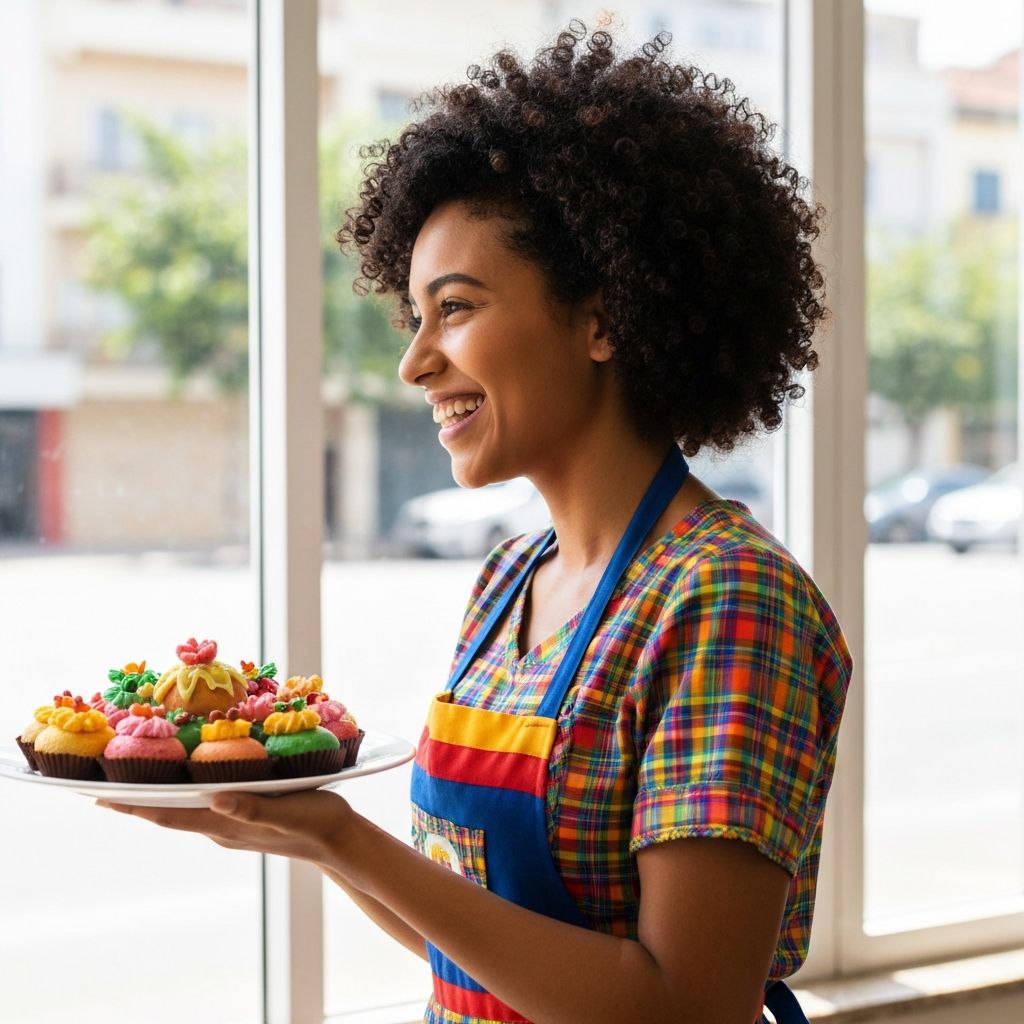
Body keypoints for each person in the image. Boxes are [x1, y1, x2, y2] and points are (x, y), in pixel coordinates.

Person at [101, 23, 852, 1024]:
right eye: (412, 316)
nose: (414, 361)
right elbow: (475, 938)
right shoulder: (508, 580)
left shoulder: (724, 598)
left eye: (454, 308)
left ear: (602, 316)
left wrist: (349, 841)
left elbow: (684, 1006)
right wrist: (315, 837)